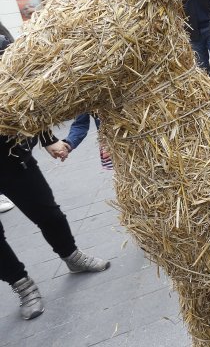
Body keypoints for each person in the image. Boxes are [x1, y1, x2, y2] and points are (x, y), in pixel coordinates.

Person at [0, 26, 110, 320]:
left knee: (48, 213)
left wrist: (48, 139)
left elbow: (21, 95)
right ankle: (21, 285)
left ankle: (71, 255)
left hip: (10, 155)